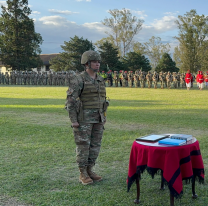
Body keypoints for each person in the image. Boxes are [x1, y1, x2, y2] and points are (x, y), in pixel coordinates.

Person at [65, 50, 109, 185]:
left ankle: (90, 169)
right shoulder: (78, 79)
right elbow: (70, 102)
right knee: (83, 146)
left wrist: (104, 116)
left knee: (95, 146)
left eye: (98, 62)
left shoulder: (100, 80)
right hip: (83, 120)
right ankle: (82, 173)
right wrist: (74, 121)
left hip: (98, 119)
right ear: (86, 63)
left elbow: (102, 100)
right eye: (94, 62)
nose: (97, 64)